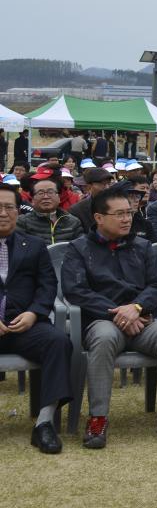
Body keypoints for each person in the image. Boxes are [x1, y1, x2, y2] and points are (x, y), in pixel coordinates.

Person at [61, 185, 157, 448]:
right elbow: (76, 291)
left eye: (129, 213)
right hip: (101, 321)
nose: (127, 219)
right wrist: (120, 313)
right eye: (119, 214)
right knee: (105, 339)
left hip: (143, 320)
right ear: (99, 218)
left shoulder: (143, 246)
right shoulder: (78, 248)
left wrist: (137, 308)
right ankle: (97, 418)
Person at [0, 182, 72, 453]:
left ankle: (44, 424)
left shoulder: (35, 245)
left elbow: (47, 286)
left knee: (58, 342)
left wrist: (34, 313)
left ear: (18, 212)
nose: (3, 213)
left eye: (9, 207)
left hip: (25, 324)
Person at [16, 175, 84, 244]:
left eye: (50, 192)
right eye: (40, 193)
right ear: (32, 200)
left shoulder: (73, 222)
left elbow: (81, 248)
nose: (46, 197)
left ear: (59, 197)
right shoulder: (23, 222)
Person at [67, 167, 115, 234]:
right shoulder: (77, 210)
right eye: (102, 184)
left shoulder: (116, 206)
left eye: (109, 184)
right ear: (89, 186)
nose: (107, 188)